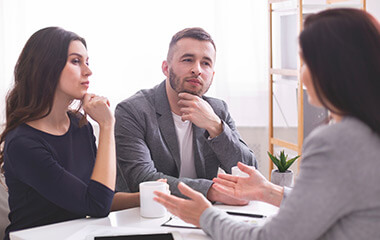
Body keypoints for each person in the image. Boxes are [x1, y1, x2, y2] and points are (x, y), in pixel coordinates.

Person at [154, 8, 380, 240]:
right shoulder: (366, 133)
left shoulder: (336, 141)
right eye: (188, 60)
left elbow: (273, 236)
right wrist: (269, 191)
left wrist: (205, 215)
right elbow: (321, 202)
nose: (301, 75)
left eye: (305, 62)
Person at [0, 27, 139, 240]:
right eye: (76, 61)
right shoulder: (23, 144)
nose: (88, 71)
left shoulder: (79, 126)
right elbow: (97, 205)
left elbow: (99, 196)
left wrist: (149, 197)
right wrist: (107, 125)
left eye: (87, 62)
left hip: (79, 235)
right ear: (47, 67)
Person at [115, 27, 256, 203]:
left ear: (212, 74)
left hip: (203, 215)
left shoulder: (217, 110)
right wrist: (212, 192)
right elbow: (141, 179)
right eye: (188, 60)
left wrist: (215, 126)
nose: (197, 70)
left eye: (206, 63)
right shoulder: (133, 110)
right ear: (166, 68)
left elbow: (249, 171)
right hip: (146, 216)